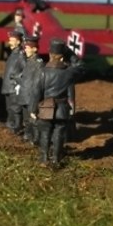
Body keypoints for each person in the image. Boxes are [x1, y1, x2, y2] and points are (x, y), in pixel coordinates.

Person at [31, 38, 84, 168]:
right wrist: (70, 53)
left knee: (45, 133)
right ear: (62, 58)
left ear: (50, 55)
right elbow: (82, 67)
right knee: (59, 134)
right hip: (62, 109)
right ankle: (56, 159)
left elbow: (36, 92)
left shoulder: (42, 72)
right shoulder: (68, 73)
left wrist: (33, 109)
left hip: (45, 108)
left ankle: (44, 159)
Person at [17, 35, 44, 144]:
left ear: (35, 49)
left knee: (33, 119)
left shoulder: (39, 63)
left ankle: (35, 139)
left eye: (27, 48)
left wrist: (35, 99)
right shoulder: (29, 60)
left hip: (31, 97)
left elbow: (37, 84)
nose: (25, 50)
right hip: (25, 95)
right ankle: (28, 135)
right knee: (26, 119)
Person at [1, 29, 25, 134]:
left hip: (14, 86)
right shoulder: (13, 53)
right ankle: (10, 123)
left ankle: (17, 126)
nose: (9, 41)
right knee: (9, 107)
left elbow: (25, 70)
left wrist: (17, 78)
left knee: (15, 107)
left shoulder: (21, 55)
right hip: (8, 86)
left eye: (12, 39)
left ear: (18, 42)